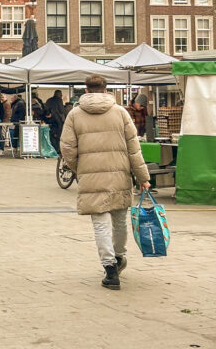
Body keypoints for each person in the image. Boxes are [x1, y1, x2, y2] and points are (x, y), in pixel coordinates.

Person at [60, 74, 150, 291]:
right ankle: (119, 257)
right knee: (119, 220)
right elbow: (133, 147)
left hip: (91, 175)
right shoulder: (120, 112)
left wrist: (79, 168)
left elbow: (67, 148)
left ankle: (110, 269)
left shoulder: (74, 114)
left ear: (86, 90)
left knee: (100, 223)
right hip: (119, 174)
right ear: (105, 89)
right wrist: (143, 177)